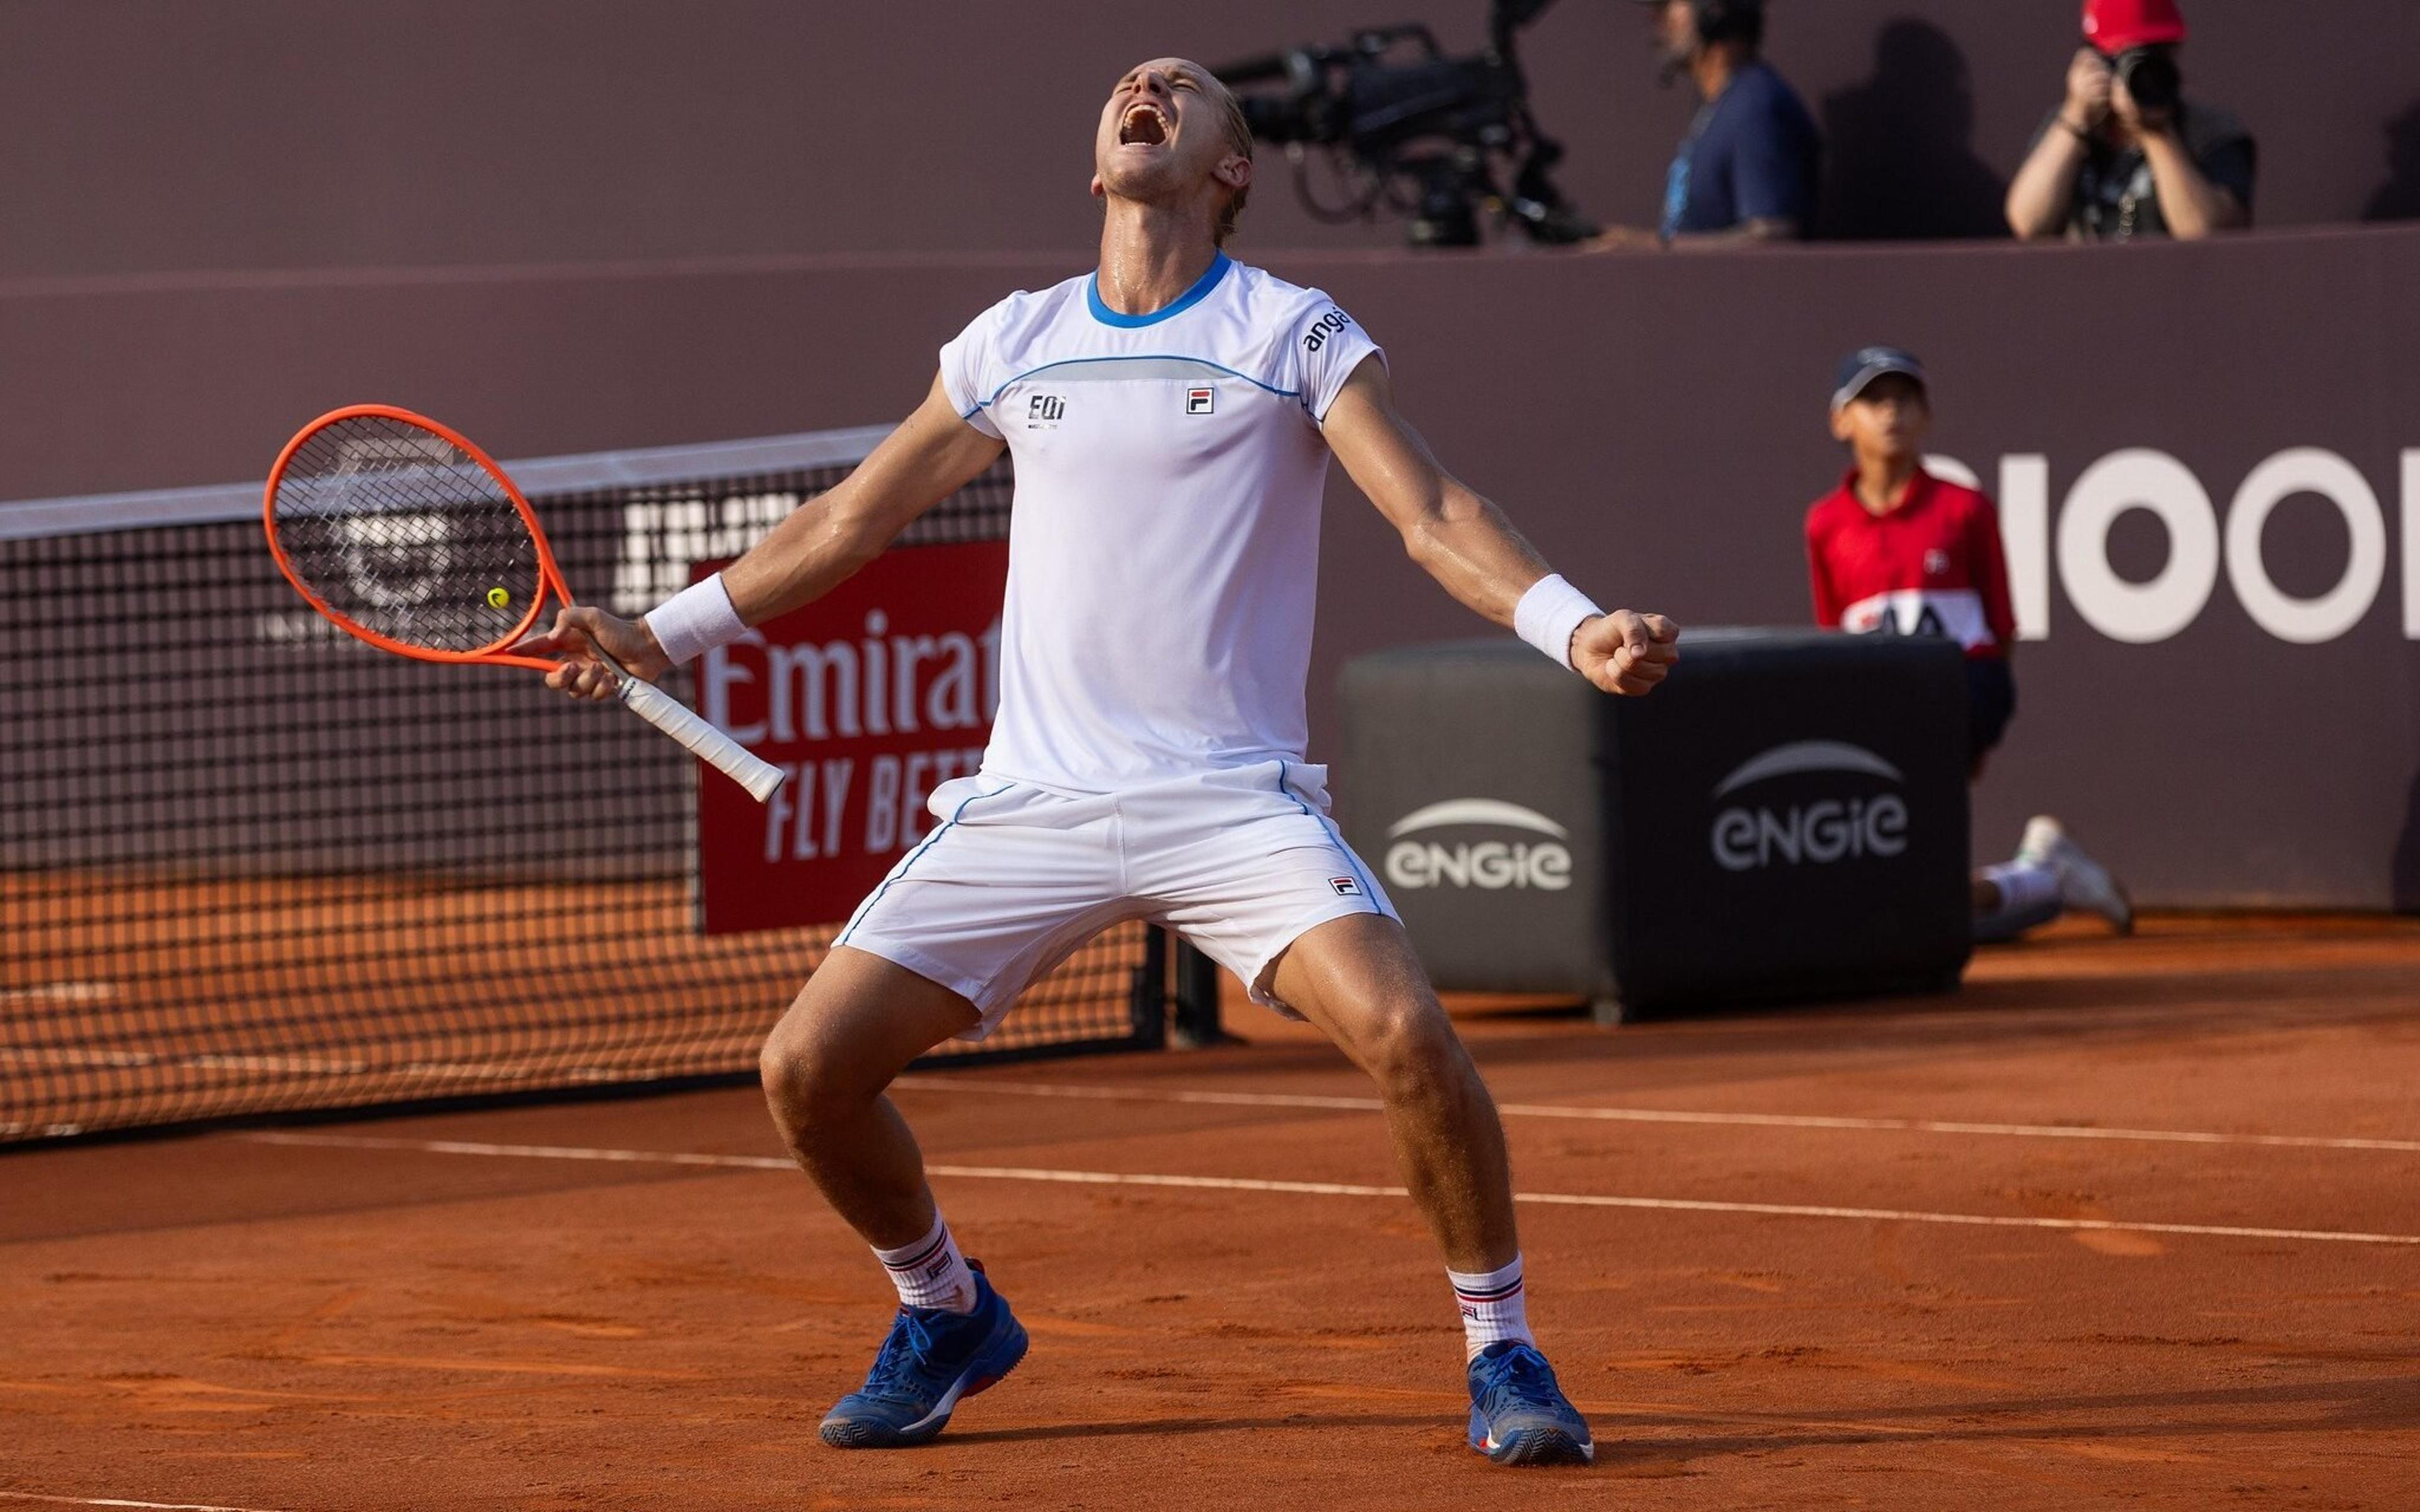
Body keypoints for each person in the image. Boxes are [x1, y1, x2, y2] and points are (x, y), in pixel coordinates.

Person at [526, 57, 1680, 1467]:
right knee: (806, 1072)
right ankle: (946, 1311)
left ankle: (1502, 1350)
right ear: (1098, 164)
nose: (1151, 86)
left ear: (1231, 167)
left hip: (1229, 803)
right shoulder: (1013, 341)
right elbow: (852, 517)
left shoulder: (1292, 331)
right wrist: (659, 634)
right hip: (1034, 803)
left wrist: (1574, 628)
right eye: (1132, 83)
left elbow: (1434, 508)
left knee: (1405, 1034)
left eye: (1186, 89)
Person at [1805, 346, 2131, 942]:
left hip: (1964, 688)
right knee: (1917, 902)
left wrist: (1975, 727)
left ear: (1926, 416)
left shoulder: (1965, 509)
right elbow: (1836, 641)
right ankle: (2044, 875)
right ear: (1841, 421)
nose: (1892, 413)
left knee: (1911, 896)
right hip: (1879, 705)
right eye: (1875, 400)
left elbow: (2001, 629)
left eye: (1906, 400)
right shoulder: (1825, 525)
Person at [2005, 0, 2255, 243]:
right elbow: (2028, 223)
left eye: (2151, 57)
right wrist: (2075, 119)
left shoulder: (2211, 134)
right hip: (2085, 282)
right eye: (2121, 58)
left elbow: (2206, 235)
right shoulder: (2068, 128)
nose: (2136, 73)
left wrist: (2155, 131)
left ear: (2171, 56)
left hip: (2180, 283)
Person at [1591, 0, 1820, 249]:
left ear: (1713, 12)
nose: (1655, 19)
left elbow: (1772, 237)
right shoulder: (1722, 103)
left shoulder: (1755, 105)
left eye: (1668, 6)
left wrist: (1649, 247)